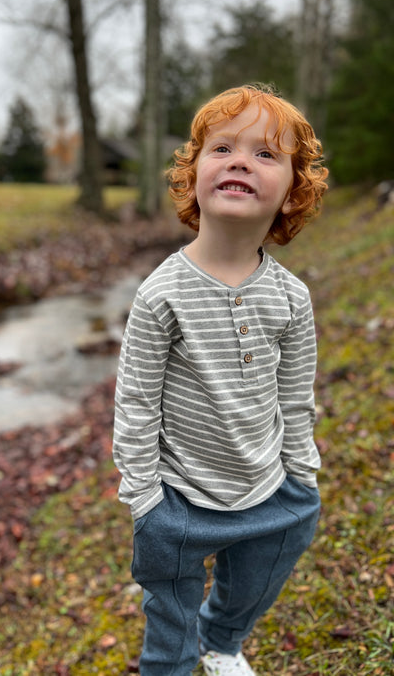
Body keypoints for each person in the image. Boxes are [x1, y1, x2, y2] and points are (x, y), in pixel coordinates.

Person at [113, 84, 329, 676]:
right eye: (223, 148)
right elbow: (135, 402)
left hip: (270, 486)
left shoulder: (291, 297)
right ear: (194, 177)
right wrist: (145, 497)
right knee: (170, 628)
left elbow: (294, 396)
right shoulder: (163, 294)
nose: (240, 160)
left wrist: (300, 475)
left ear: (291, 193)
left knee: (259, 576)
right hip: (178, 497)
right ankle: (181, 658)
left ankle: (224, 640)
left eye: (265, 154)